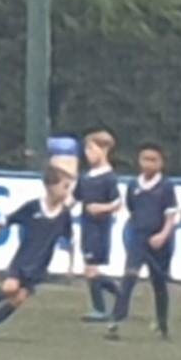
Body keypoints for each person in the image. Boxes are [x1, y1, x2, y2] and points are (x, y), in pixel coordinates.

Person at [0, 167, 77, 341]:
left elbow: (70, 240)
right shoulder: (32, 207)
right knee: (10, 288)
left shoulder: (64, 215)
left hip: (40, 266)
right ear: (50, 187)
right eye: (65, 187)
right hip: (22, 261)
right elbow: (5, 221)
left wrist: (71, 265)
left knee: (19, 298)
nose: (67, 192)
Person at [107, 142, 179, 341]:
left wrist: (163, 235)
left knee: (159, 282)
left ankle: (162, 325)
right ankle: (116, 320)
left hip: (159, 240)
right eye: (145, 159)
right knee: (129, 276)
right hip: (138, 237)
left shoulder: (166, 186)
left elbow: (171, 215)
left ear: (161, 163)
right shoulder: (133, 185)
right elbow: (132, 209)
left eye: (153, 160)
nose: (148, 164)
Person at [74, 129, 122, 322]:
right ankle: (120, 295)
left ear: (104, 150)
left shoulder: (109, 177)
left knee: (91, 269)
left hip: (99, 228)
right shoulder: (86, 176)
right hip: (87, 227)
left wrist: (101, 208)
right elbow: (76, 197)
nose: (88, 153)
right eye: (86, 149)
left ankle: (100, 309)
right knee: (90, 268)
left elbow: (117, 203)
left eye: (91, 149)